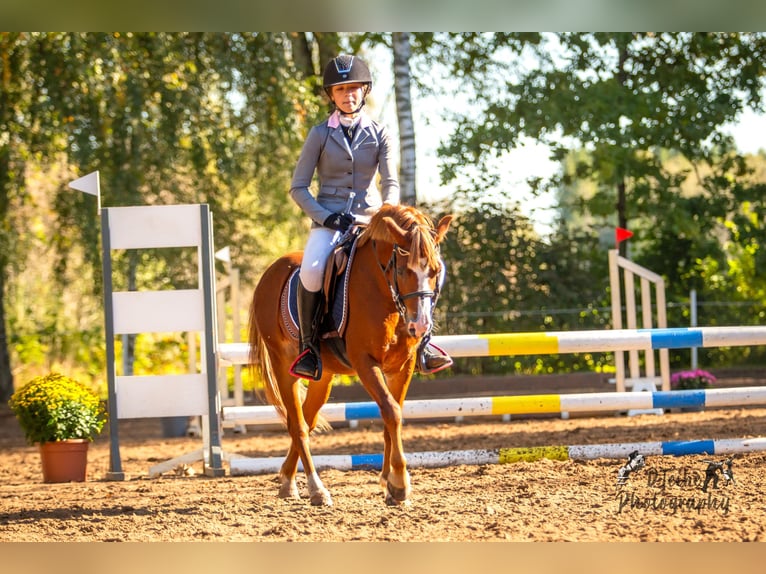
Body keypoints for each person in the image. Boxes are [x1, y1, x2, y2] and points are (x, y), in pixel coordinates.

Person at [288, 54, 452, 381]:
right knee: (312, 270)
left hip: (374, 221)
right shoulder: (319, 134)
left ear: (364, 91)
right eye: (340, 89)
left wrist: (385, 215)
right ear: (331, 95)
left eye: (354, 88)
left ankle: (425, 342)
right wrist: (326, 217)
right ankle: (310, 348)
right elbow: (298, 187)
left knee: (430, 266)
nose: (348, 95)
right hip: (330, 221)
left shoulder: (380, 134)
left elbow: (390, 182)